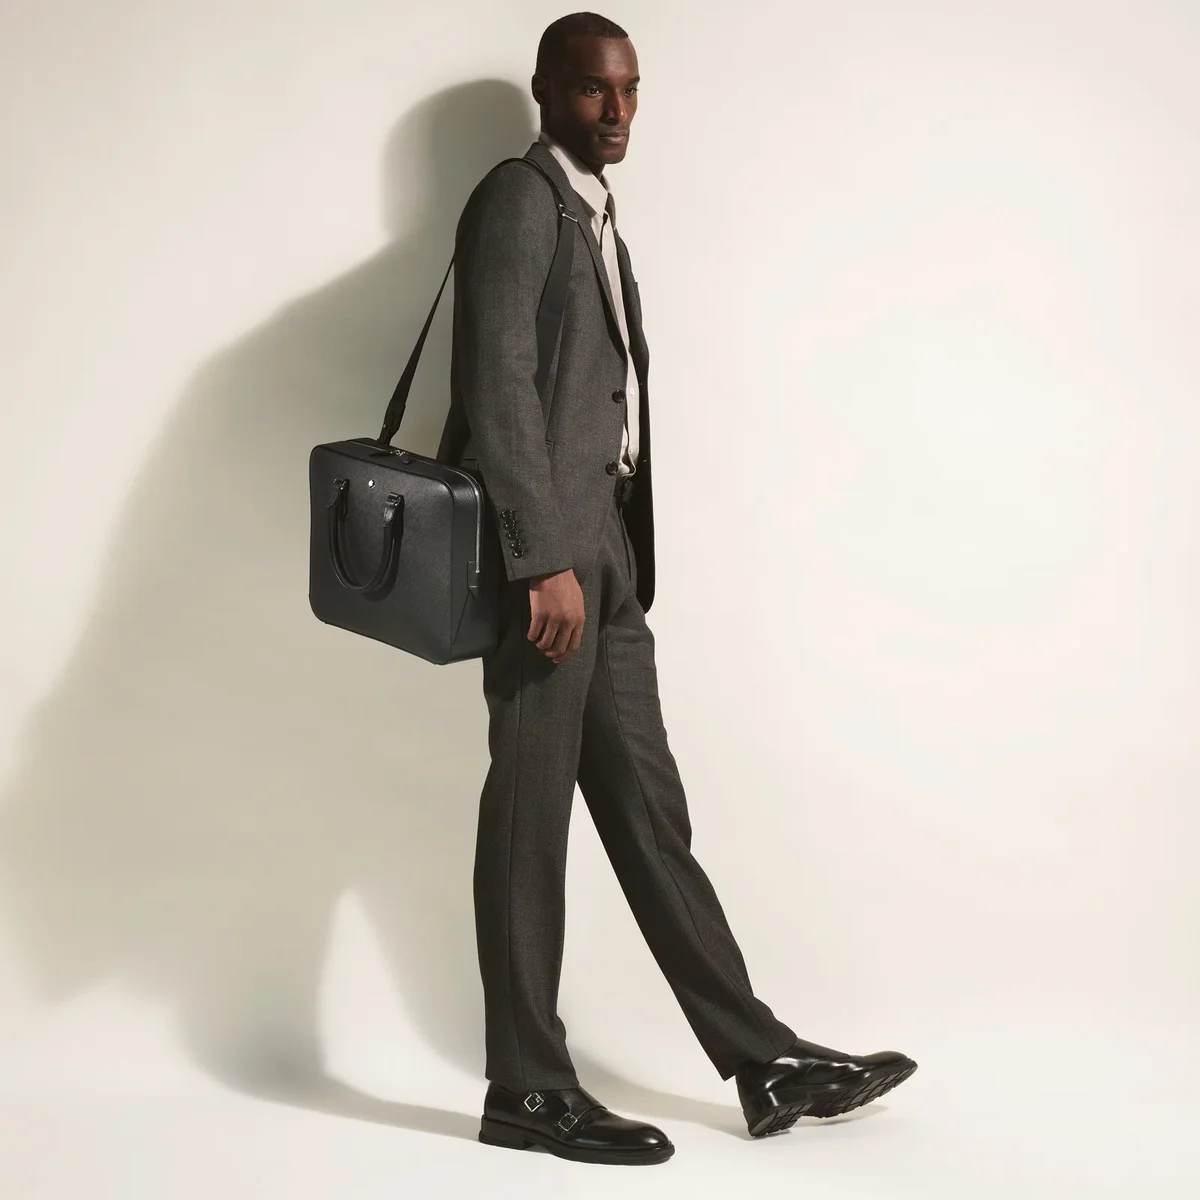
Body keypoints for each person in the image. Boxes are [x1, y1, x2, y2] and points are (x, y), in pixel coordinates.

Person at [435, 11, 917, 1165]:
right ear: (546, 90)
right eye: (594, 91)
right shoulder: (518, 199)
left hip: (606, 548)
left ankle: (762, 1061)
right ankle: (526, 1088)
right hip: (552, 562)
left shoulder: (597, 212)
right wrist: (540, 558)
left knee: (651, 812)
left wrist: (593, 547)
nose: (617, 113)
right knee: (531, 815)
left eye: (631, 91)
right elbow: (496, 380)